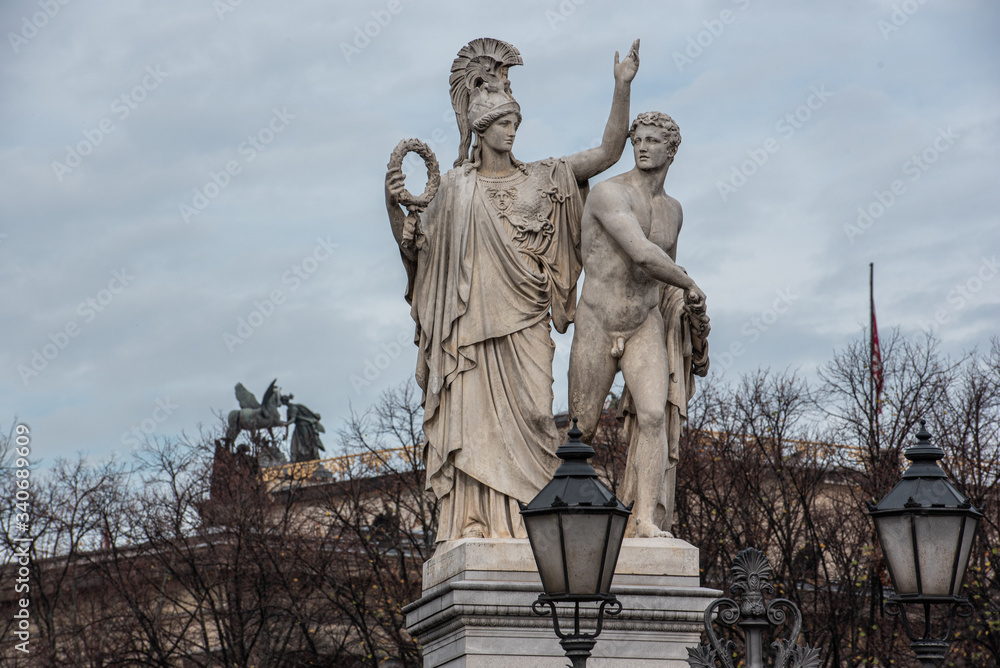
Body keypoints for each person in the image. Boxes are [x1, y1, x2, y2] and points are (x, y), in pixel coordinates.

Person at [384, 38, 640, 543]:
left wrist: (621, 86)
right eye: (503, 124)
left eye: (515, 123)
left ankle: (534, 528)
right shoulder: (457, 188)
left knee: (535, 416)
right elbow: (420, 252)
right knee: (474, 418)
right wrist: (395, 207)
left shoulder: (545, 176)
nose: (511, 131)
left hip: (526, 321)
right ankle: (475, 520)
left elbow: (609, 152)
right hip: (472, 328)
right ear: (481, 130)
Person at [568, 111, 710, 539]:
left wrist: (686, 307)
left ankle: (644, 520)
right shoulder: (611, 194)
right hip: (597, 320)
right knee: (581, 428)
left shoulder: (673, 211)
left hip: (643, 323)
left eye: (652, 140)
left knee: (653, 416)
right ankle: (561, 514)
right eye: (638, 140)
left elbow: (660, 272)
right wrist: (689, 282)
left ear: (672, 150)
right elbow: (643, 255)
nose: (643, 147)